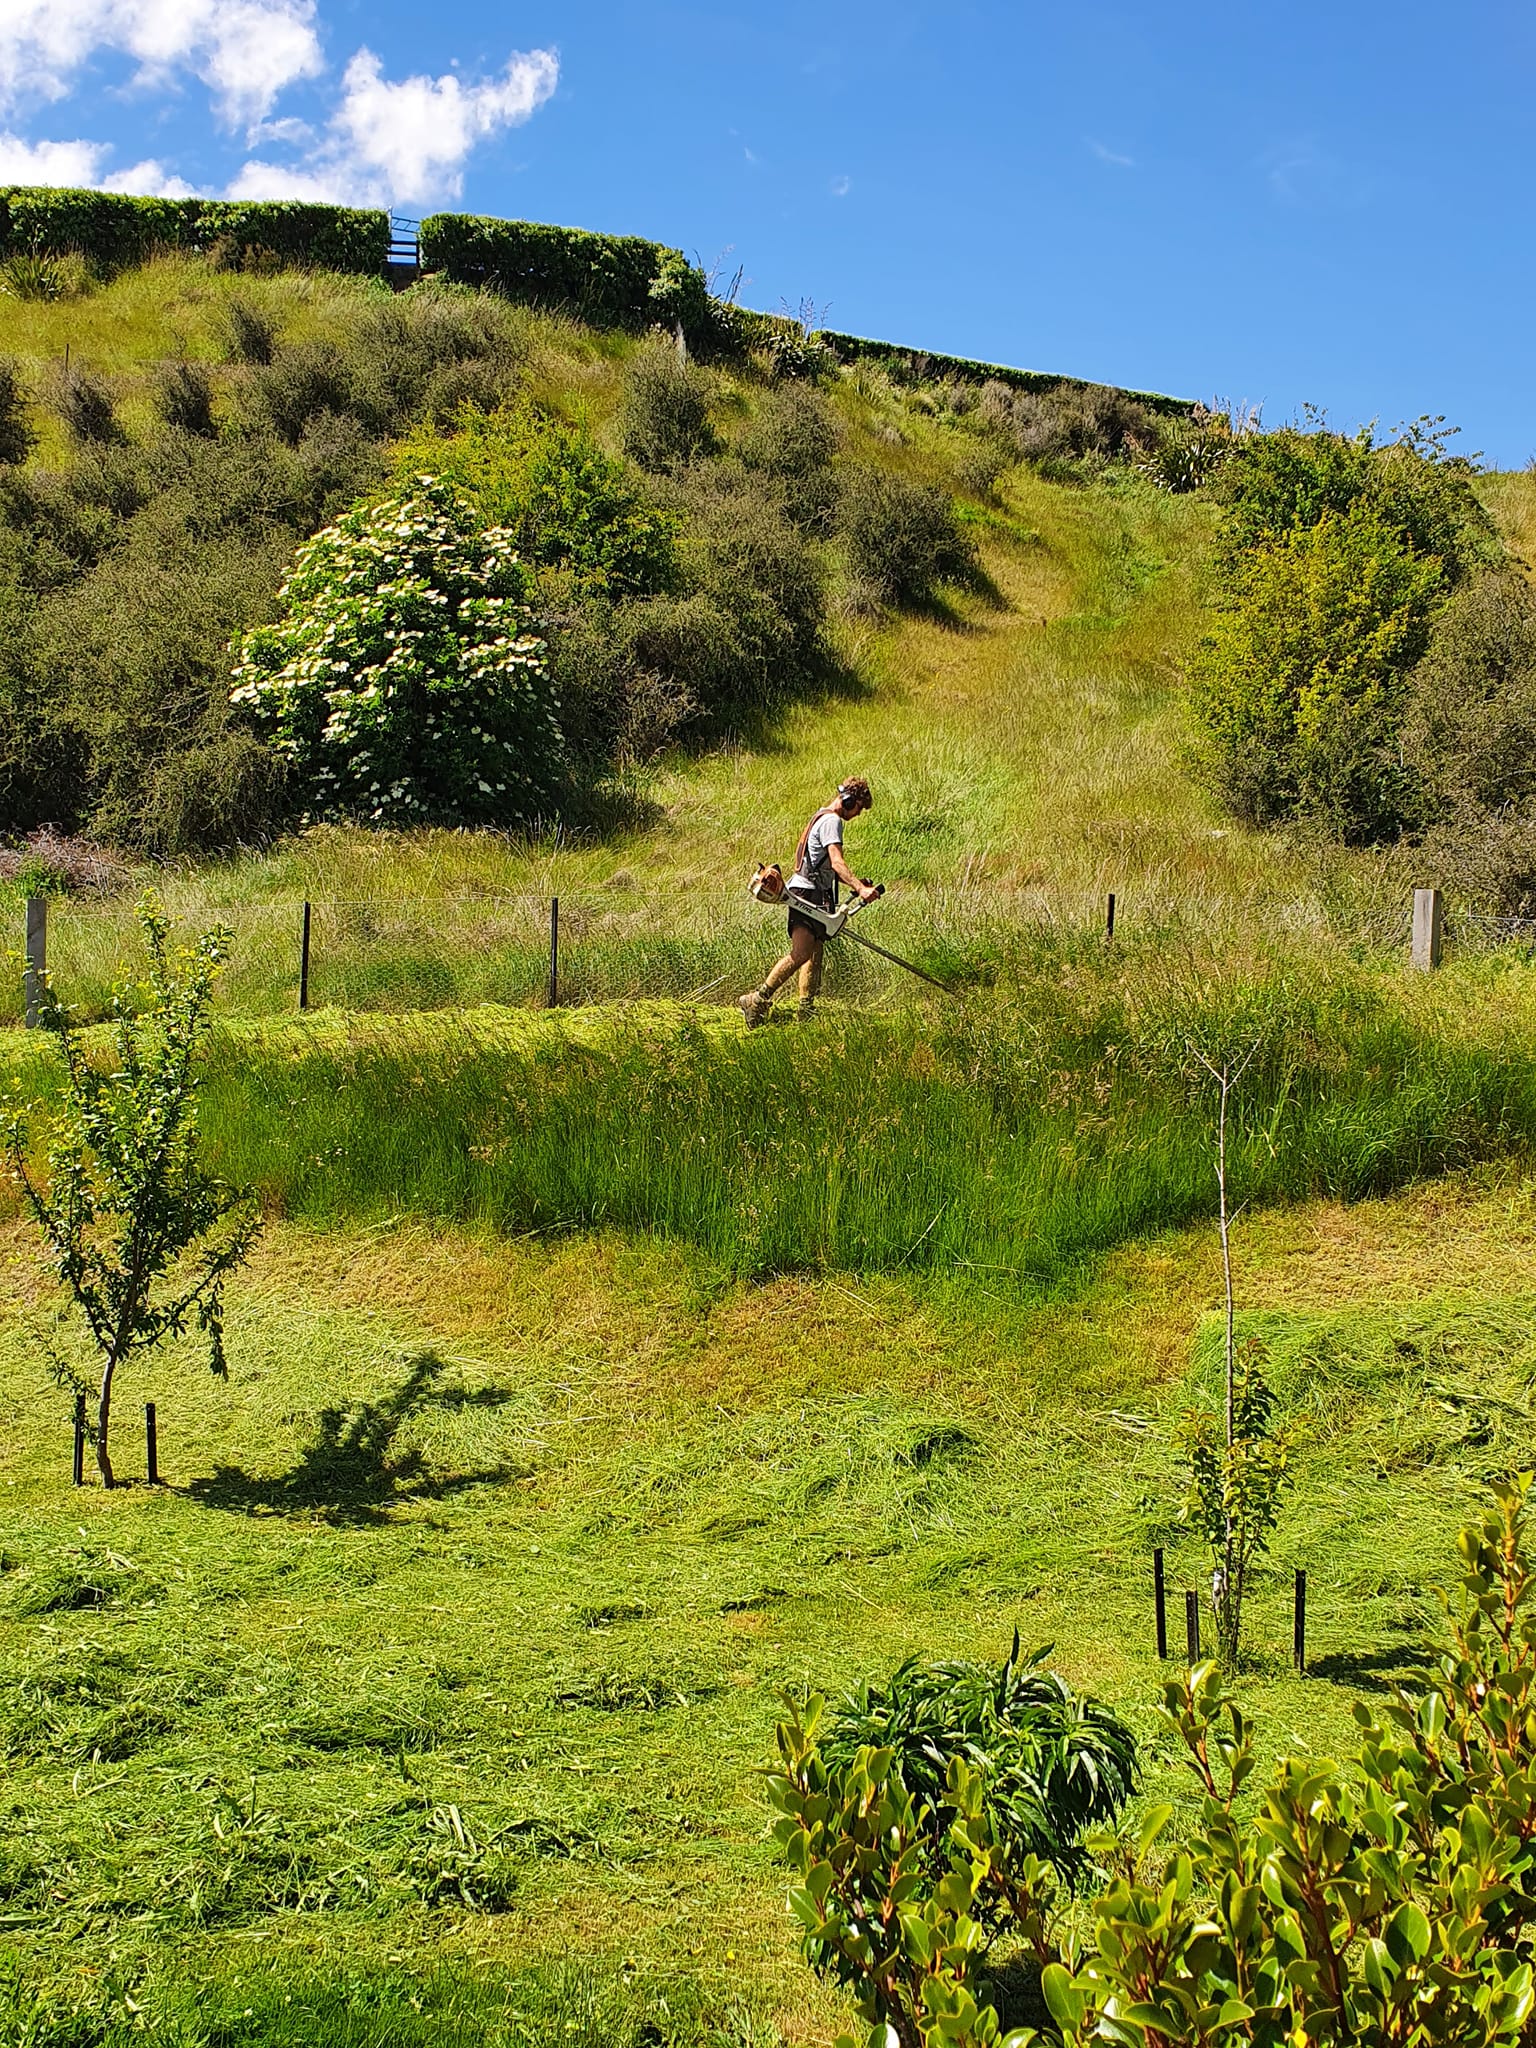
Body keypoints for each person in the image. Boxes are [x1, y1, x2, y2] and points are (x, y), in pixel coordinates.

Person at [739, 778, 879, 1026]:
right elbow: (836, 862)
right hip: (806, 894)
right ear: (849, 800)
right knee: (801, 952)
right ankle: (757, 1000)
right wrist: (860, 888)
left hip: (813, 893)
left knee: (814, 953)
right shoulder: (832, 821)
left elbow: (826, 867)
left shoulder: (821, 817)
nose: (857, 814)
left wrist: (857, 884)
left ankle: (806, 1008)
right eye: (858, 807)